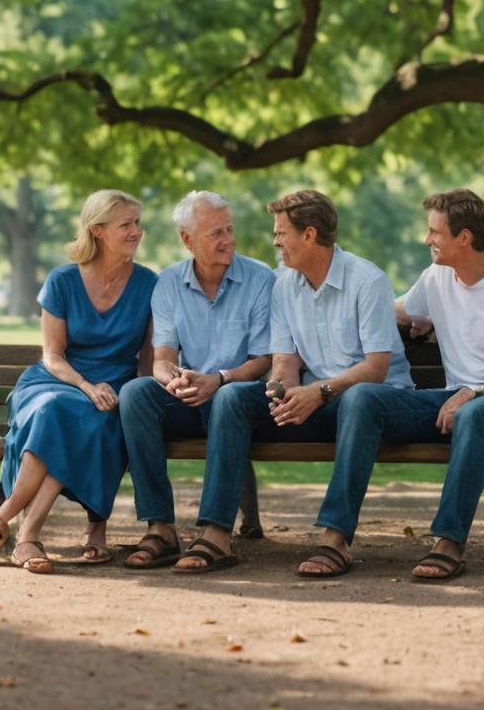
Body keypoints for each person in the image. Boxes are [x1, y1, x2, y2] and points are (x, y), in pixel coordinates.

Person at [170, 188, 412, 576]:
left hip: (377, 405)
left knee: (360, 398)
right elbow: (285, 361)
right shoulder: (284, 284)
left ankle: (335, 539)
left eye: (281, 233)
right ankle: (216, 533)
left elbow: (376, 369)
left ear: (310, 235)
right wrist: (280, 391)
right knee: (232, 398)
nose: (275, 241)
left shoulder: (367, 281)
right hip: (318, 400)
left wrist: (318, 391)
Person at [329, 188, 484, 582]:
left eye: (434, 232)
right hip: (454, 401)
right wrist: (405, 321)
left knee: (475, 413)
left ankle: (448, 541)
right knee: (363, 397)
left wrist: (477, 392)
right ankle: (335, 536)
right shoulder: (435, 279)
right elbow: (393, 310)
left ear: (463, 237)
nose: (426, 239)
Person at [0, 190, 156, 574]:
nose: (137, 231)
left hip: (113, 387)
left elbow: (147, 359)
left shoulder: (148, 283)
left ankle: (5, 525)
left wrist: (138, 397)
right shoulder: (63, 280)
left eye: (137, 222)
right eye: (126, 224)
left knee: (81, 419)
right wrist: (85, 385)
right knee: (58, 411)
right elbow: (53, 356)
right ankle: (21, 531)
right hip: (56, 380)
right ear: (97, 231)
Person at [117, 190, 274, 569]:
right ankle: (161, 529)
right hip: (192, 395)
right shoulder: (169, 283)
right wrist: (170, 379)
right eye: (216, 233)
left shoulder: (260, 279)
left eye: (230, 230)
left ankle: (217, 534)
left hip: (241, 397)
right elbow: (162, 357)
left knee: (229, 398)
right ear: (187, 240)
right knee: (136, 393)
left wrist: (218, 379)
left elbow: (264, 360)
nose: (228, 240)